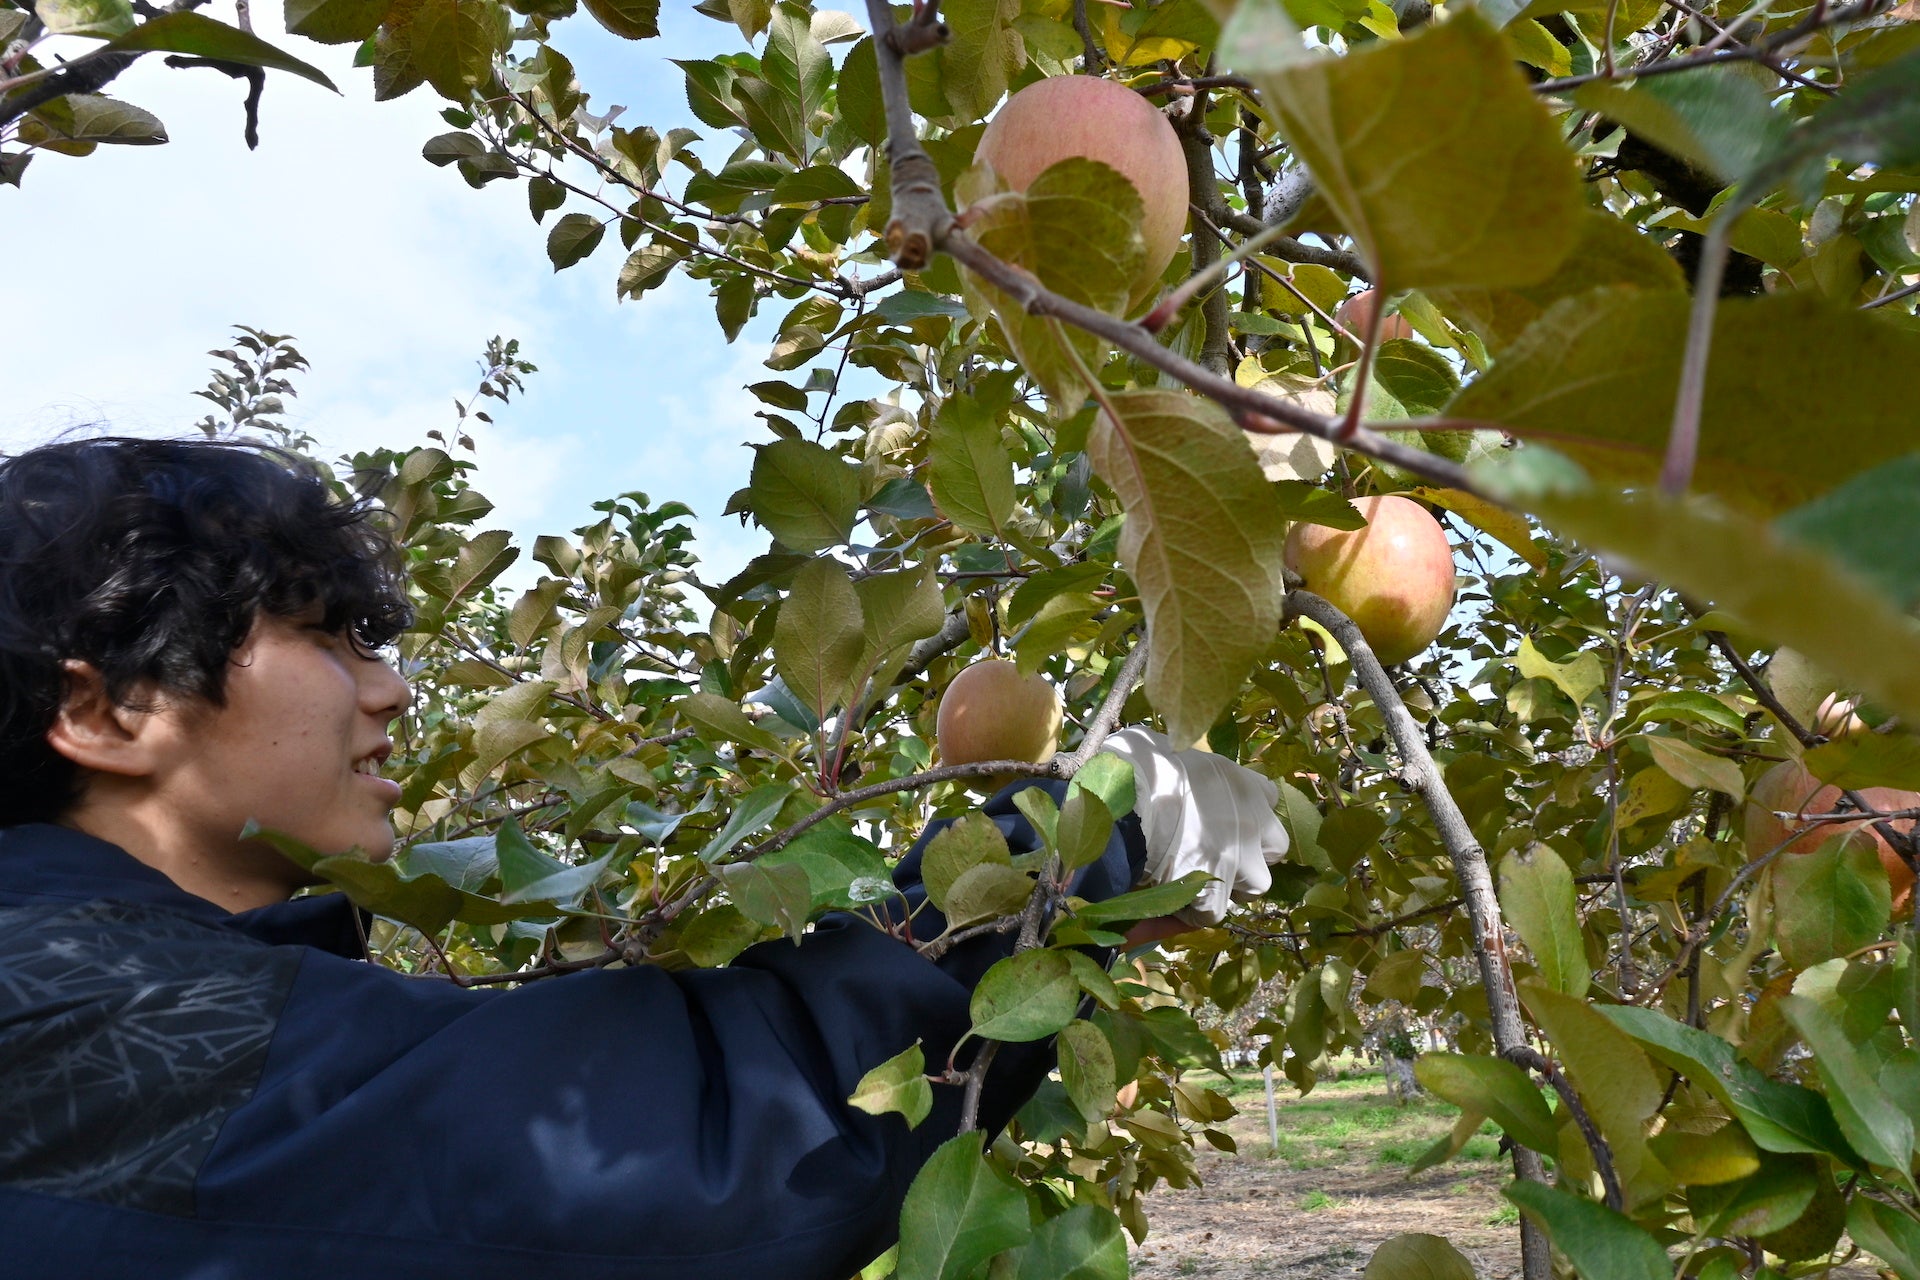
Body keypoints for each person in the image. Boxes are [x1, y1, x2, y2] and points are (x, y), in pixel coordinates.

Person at [0, 436, 1281, 1279]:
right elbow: (677, 1154)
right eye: (328, 637)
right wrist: (1078, 845)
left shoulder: (119, 984)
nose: (389, 687)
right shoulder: (73, 1016)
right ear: (109, 709)